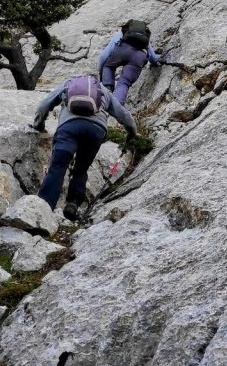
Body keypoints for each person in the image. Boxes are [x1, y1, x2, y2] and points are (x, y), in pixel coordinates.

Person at [31, 74, 137, 220]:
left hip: (68, 129)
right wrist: (132, 133)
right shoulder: (103, 90)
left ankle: (44, 208)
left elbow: (44, 105)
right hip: (95, 131)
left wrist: (39, 124)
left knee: (57, 168)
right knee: (81, 169)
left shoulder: (68, 84)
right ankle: (72, 204)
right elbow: (123, 115)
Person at [97, 19, 162, 105]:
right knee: (124, 82)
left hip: (120, 51)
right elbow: (153, 58)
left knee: (108, 67)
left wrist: (101, 69)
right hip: (138, 57)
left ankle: (107, 90)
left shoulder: (119, 34)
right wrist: (157, 60)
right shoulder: (143, 38)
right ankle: (117, 106)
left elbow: (103, 56)